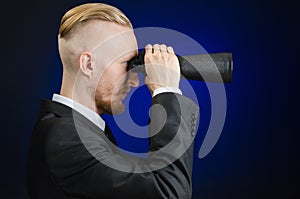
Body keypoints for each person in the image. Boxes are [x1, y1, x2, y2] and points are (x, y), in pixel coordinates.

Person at [26, 2, 199, 199]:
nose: (135, 81)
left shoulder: (76, 130)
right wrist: (166, 92)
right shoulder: (65, 138)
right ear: (88, 64)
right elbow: (168, 192)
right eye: (127, 64)